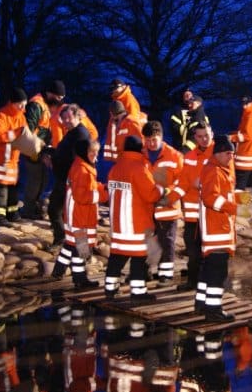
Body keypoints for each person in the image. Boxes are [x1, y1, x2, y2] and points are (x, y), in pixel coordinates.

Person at [104, 135, 167, 302]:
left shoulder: (115, 169)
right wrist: (161, 189)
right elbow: (150, 195)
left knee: (117, 256)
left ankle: (110, 289)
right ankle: (138, 293)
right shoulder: (139, 169)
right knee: (139, 258)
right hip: (136, 224)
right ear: (140, 149)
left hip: (118, 225)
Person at [195, 135, 247, 321]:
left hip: (216, 228)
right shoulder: (215, 171)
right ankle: (213, 309)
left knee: (208, 269)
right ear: (217, 154)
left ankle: (201, 303)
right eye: (227, 153)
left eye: (232, 153)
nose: (231, 157)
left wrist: (238, 198)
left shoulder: (218, 169)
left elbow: (222, 194)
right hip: (217, 229)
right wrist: (234, 208)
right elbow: (210, 198)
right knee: (218, 271)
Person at [52, 139, 108, 288]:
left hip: (74, 214)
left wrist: (102, 187)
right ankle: (80, 279)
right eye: (92, 152)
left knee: (71, 244)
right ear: (84, 152)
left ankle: (58, 270)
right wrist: (103, 195)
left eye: (97, 152)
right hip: (80, 216)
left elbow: (88, 187)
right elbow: (82, 196)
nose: (95, 155)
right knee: (80, 248)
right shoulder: (82, 170)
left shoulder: (81, 166)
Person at [167, 122, 214, 291]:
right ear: (195, 138)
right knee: (192, 251)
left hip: (210, 214)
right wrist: (168, 199)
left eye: (206, 135)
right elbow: (183, 184)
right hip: (192, 215)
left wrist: (203, 183)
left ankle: (207, 284)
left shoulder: (219, 153)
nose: (204, 139)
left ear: (212, 133)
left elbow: (227, 180)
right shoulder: (189, 156)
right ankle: (193, 283)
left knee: (209, 252)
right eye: (200, 136)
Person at [142, 120, 184, 285]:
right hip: (147, 208)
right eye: (148, 140)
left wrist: (167, 191)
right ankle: (145, 271)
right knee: (147, 240)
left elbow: (183, 181)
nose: (151, 143)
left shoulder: (174, 156)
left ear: (161, 137)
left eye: (154, 140)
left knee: (167, 241)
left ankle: (165, 274)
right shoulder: (141, 154)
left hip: (168, 207)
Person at [42, 103, 90, 247]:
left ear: (77, 116)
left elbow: (76, 159)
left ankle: (77, 246)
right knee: (56, 210)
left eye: (69, 117)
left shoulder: (81, 134)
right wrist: (48, 152)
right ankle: (64, 240)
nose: (66, 121)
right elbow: (62, 152)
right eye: (63, 119)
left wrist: (54, 159)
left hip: (72, 181)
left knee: (66, 213)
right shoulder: (72, 132)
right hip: (64, 178)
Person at [20, 80, 64, 219]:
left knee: (43, 179)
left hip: (42, 147)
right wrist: (39, 150)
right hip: (33, 148)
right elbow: (29, 131)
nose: (60, 100)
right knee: (35, 179)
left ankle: (35, 207)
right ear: (50, 93)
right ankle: (28, 210)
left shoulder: (46, 104)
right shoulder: (36, 105)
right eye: (58, 97)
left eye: (62, 98)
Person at [0, 87, 28, 227]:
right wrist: (18, 133)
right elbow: (0, 137)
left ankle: (12, 214)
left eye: (25, 104)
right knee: (0, 190)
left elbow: (25, 135)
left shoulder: (21, 116)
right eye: (20, 104)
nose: (23, 108)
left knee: (12, 188)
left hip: (12, 159)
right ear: (13, 102)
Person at [231, 91, 252, 204]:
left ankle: (238, 200)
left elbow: (248, 135)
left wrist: (232, 138)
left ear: (251, 103)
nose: (244, 106)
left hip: (247, 152)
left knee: (241, 177)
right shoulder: (248, 113)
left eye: (246, 103)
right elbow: (245, 131)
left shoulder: (250, 115)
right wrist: (234, 134)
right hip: (251, 152)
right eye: (243, 103)